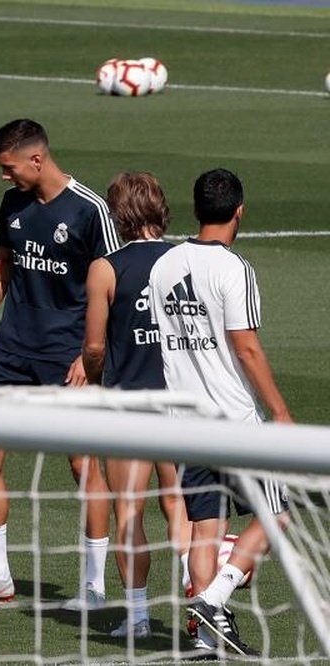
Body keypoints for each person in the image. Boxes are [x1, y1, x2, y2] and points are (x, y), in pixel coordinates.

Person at [0, 119, 120, 610]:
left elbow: (115, 287)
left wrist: (92, 357)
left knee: (81, 464)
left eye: (10, 168)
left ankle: (93, 586)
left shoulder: (91, 210)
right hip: (11, 350)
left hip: (67, 358)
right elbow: (3, 264)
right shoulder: (14, 204)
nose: (5, 177)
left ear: (36, 160)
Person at [148, 168, 292, 657]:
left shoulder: (163, 265)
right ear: (239, 212)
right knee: (277, 516)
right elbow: (246, 348)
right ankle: (214, 599)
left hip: (185, 424)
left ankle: (207, 641)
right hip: (235, 425)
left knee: (206, 528)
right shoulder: (234, 269)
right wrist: (280, 411)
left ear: (196, 209)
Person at [82, 172, 192, 639]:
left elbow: (93, 347)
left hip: (130, 404)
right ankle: (199, 591)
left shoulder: (107, 268)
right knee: (184, 505)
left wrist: (92, 382)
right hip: (184, 400)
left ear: (117, 213)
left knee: (130, 511)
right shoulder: (185, 260)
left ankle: (140, 617)